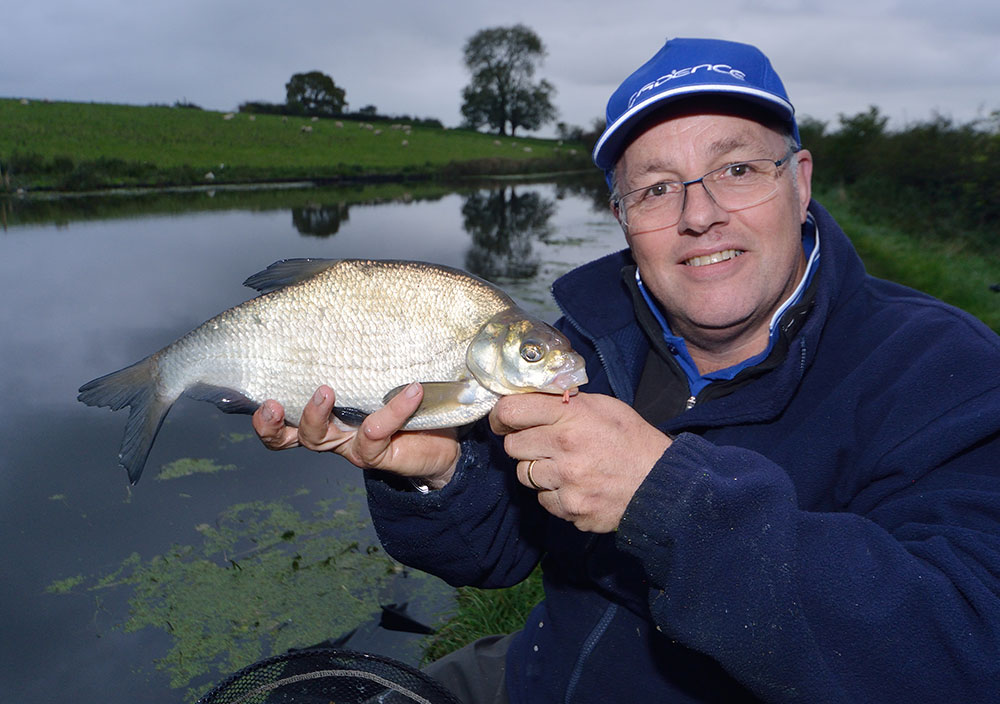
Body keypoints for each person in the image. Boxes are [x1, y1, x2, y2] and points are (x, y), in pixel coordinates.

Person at [253, 37, 1000, 703]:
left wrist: (667, 501)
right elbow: (493, 554)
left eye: (736, 168)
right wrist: (433, 478)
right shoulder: (583, 346)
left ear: (799, 181)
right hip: (538, 672)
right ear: (620, 214)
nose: (699, 214)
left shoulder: (949, 375)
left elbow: (966, 654)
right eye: (655, 187)